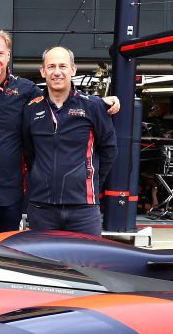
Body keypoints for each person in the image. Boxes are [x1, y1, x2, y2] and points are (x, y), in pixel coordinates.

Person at [0, 30, 120, 233]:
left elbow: (59, 93)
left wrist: (98, 103)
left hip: (10, 196)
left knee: (7, 258)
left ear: (8, 56)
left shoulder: (27, 91)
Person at [21, 47, 117, 236]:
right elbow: (29, 153)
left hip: (84, 209)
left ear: (73, 70)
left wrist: (89, 180)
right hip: (42, 207)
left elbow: (109, 151)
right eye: (51, 66)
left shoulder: (93, 106)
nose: (57, 72)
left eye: (63, 66)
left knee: (87, 264)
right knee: (41, 265)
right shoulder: (31, 110)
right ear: (43, 71)